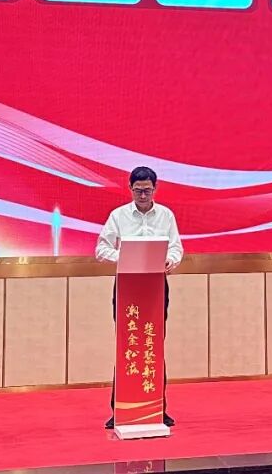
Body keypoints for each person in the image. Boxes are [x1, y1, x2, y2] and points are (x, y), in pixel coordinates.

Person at [96, 166, 183, 429]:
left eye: (147, 190)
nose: (142, 195)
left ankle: (158, 408)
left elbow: (176, 248)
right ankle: (119, 409)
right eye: (138, 191)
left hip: (155, 285)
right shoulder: (118, 215)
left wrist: (170, 260)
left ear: (155, 189)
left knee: (153, 344)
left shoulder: (166, 215)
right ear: (130, 189)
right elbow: (101, 249)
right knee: (128, 345)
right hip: (127, 286)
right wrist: (126, 256)